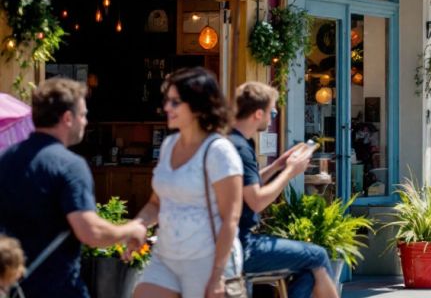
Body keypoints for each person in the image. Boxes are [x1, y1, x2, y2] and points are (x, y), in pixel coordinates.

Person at [0, 78, 147, 297]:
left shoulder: (5, 159)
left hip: (12, 289)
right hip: (58, 289)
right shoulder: (70, 165)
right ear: (68, 118)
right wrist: (131, 230)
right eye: (83, 114)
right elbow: (90, 231)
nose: (86, 121)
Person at [133, 68, 244, 298]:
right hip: (166, 257)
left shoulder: (219, 151)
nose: (166, 108)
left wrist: (217, 275)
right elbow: (156, 203)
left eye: (175, 102)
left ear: (198, 105)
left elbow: (230, 218)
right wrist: (138, 225)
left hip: (206, 260)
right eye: (167, 101)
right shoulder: (169, 146)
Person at [229, 82, 338, 298]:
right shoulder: (240, 148)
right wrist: (290, 172)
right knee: (318, 256)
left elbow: (247, 187)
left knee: (311, 268)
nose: (273, 117)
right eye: (273, 111)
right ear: (258, 114)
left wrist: (278, 165)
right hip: (241, 246)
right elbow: (256, 201)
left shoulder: (235, 141)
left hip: (235, 241)